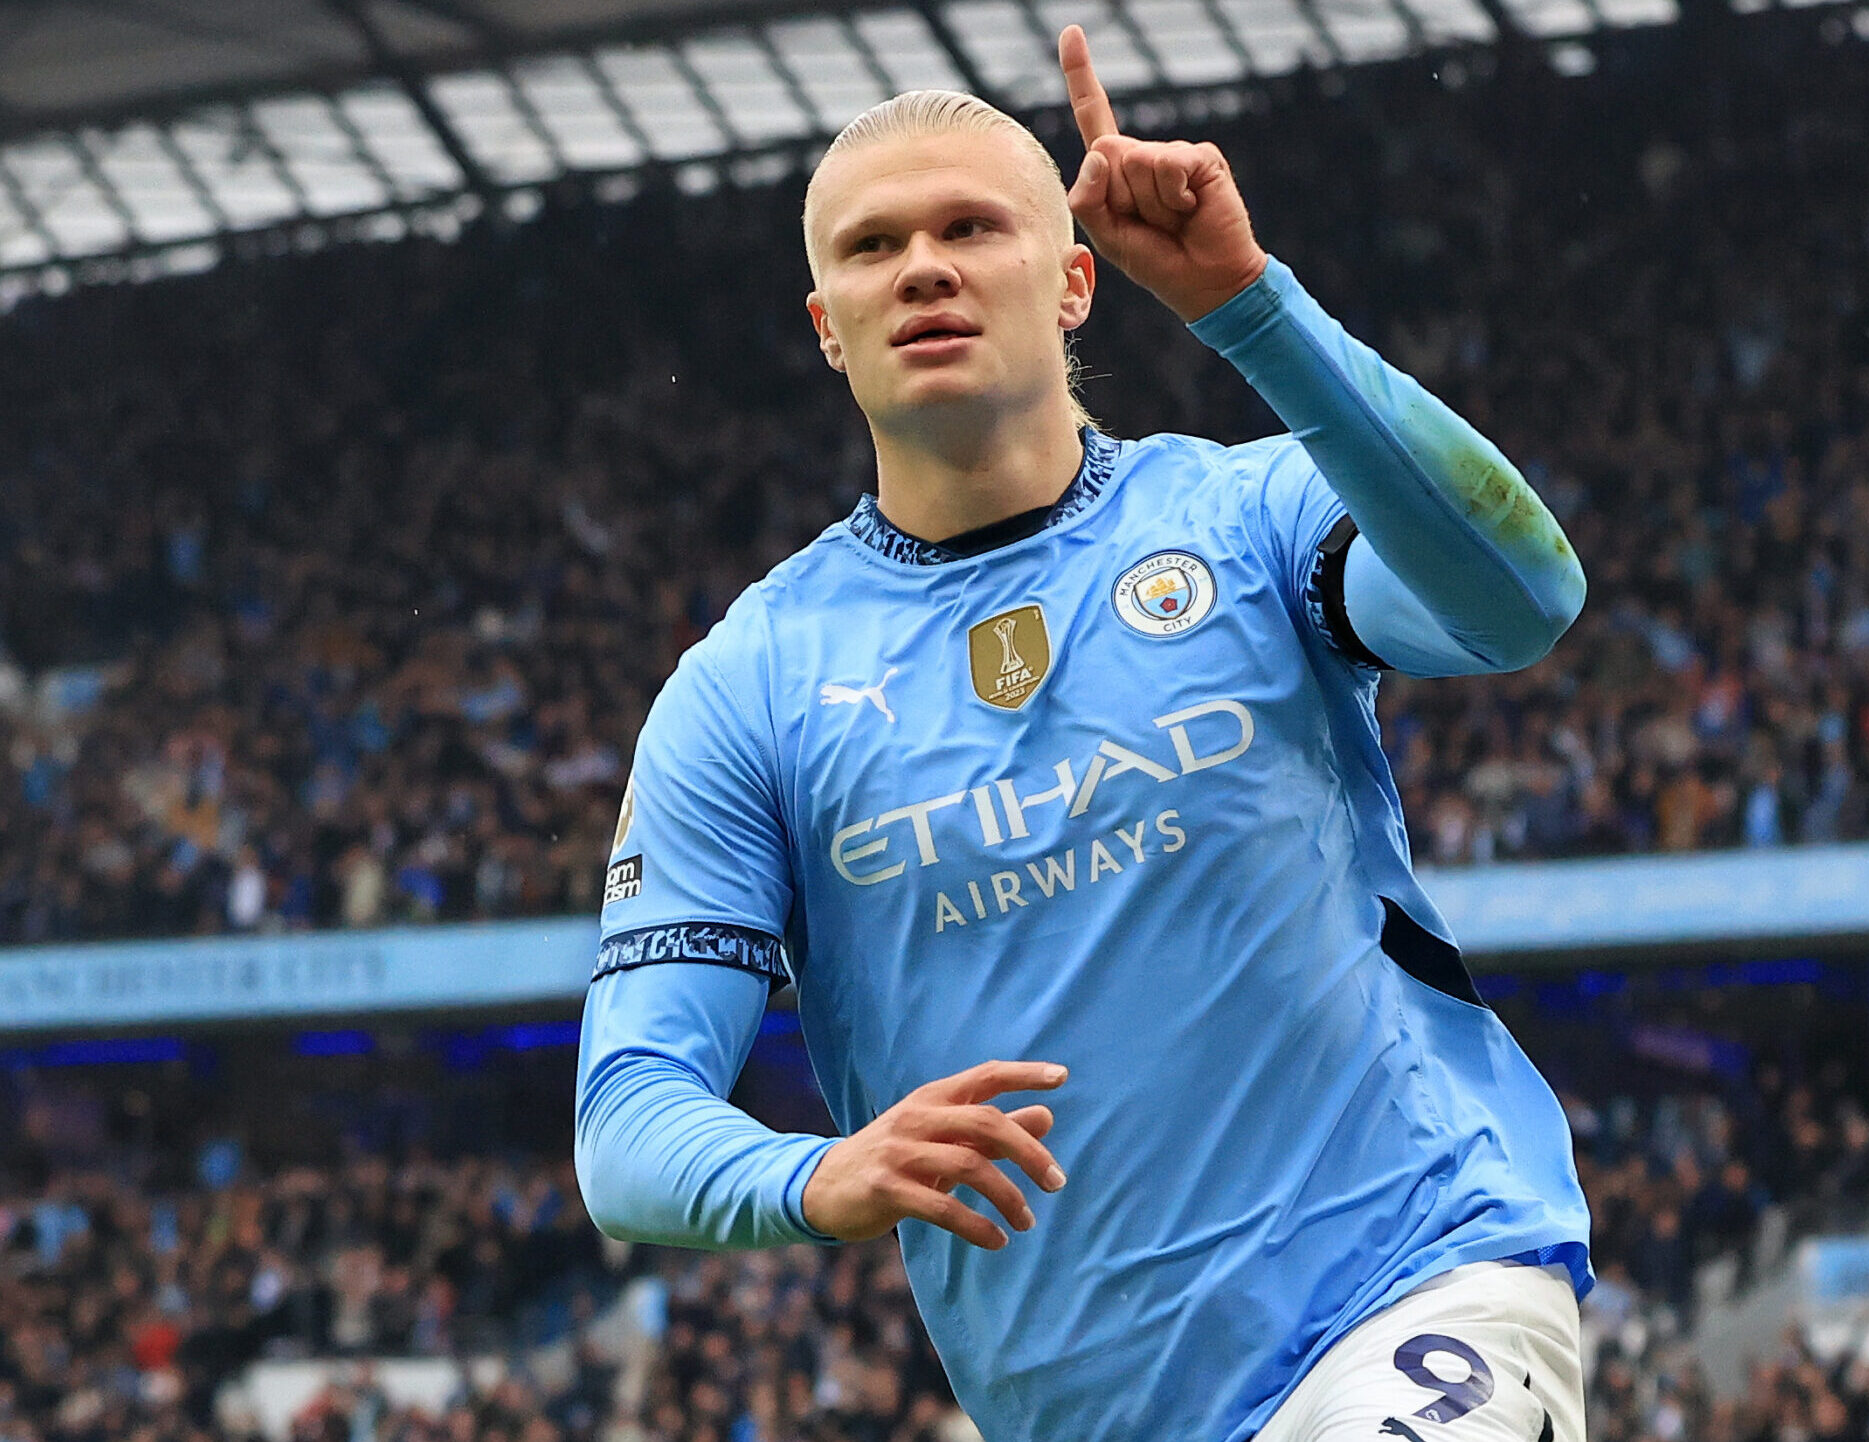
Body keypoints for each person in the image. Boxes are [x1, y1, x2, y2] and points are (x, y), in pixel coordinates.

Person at [574, 30, 1592, 1442]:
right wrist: (818, 1177)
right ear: (827, 325)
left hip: (1412, 1283)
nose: (923, 265)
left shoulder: (1251, 521)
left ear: (1071, 283)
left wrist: (1251, 307)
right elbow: (626, 1115)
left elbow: (1520, 598)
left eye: (971, 226)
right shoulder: (746, 685)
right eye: (873, 246)